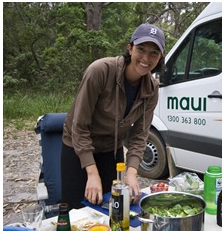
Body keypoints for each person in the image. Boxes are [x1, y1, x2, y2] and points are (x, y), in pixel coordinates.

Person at [61, 23, 165, 209]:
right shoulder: (100, 71)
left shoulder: (152, 89)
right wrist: (92, 173)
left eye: (154, 53)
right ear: (130, 48)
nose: (146, 58)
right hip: (78, 147)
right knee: (76, 209)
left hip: (111, 149)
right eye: (141, 49)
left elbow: (140, 135)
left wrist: (131, 173)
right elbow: (79, 125)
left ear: (160, 57)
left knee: (114, 207)